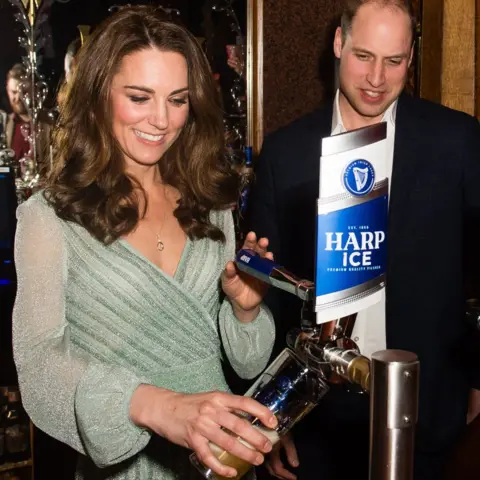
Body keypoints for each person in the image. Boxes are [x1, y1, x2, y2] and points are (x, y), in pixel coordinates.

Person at [13, 5, 278, 479]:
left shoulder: (210, 201)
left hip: (221, 458)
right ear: (98, 95)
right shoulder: (48, 218)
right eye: (139, 97)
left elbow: (246, 361)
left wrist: (245, 309)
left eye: (177, 100)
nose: (161, 120)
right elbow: (39, 367)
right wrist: (152, 405)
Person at [247, 0, 480, 479]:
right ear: (338, 43)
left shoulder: (457, 141)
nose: (377, 78)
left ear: (411, 57)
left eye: (394, 61)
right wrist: (272, 412)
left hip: (428, 412)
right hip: (316, 420)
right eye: (363, 56)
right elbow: (266, 297)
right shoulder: (288, 153)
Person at [0, 63, 51, 177]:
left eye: (23, 92)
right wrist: (5, 175)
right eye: (13, 92)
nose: (17, 98)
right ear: (7, 90)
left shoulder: (49, 124)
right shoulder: (4, 125)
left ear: (34, 91)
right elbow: (2, 171)